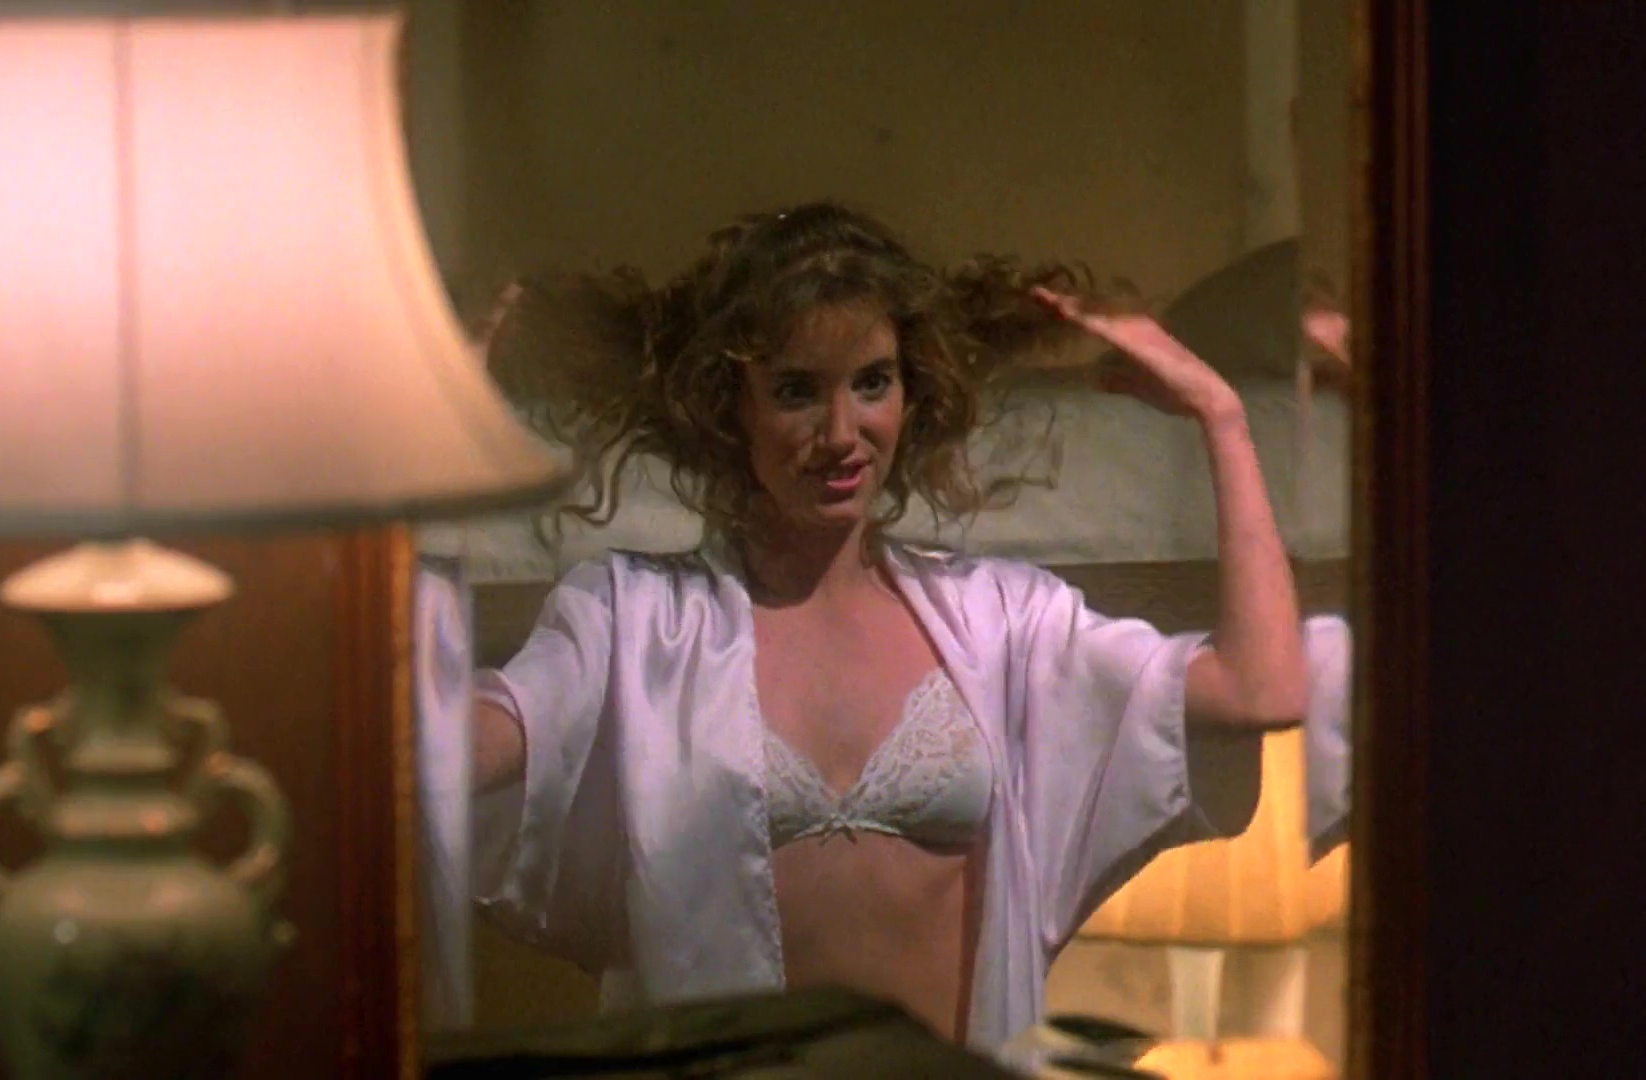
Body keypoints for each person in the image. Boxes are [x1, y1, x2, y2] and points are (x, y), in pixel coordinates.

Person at [463, 201, 1332, 1052]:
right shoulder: (634, 620)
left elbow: (1262, 691)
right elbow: (443, 754)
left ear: (913, 394)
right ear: (730, 409)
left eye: (872, 383)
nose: (842, 434)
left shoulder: (1002, 623)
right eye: (797, 391)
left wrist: (1223, 416)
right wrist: (410, 468)